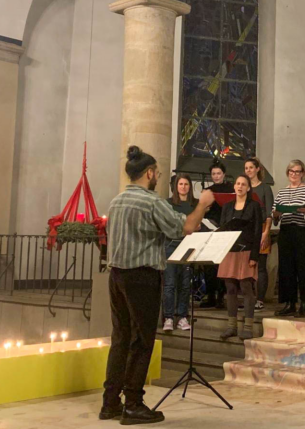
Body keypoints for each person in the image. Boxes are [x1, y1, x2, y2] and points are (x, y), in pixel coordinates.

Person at [101, 146, 214, 425]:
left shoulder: (116, 201)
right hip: (142, 277)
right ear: (149, 173)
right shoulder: (151, 202)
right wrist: (202, 204)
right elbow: (186, 227)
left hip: (116, 276)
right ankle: (133, 405)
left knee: (121, 338)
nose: (158, 178)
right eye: (158, 174)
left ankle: (110, 402)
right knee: (142, 341)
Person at [272, 160, 305, 318]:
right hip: (286, 232)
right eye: (291, 171)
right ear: (288, 173)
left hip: (303, 232)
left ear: (302, 173)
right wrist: (276, 214)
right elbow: (274, 216)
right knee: (287, 269)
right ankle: (290, 303)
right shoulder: (281, 192)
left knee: (304, 268)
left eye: (297, 172)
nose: (294, 174)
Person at [218, 174, 263, 340]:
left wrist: (254, 256)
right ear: (234, 186)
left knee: (246, 287)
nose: (240, 186)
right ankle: (232, 326)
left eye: (243, 184)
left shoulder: (254, 206)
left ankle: (248, 327)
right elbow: (222, 229)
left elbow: (257, 232)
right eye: (237, 183)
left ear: (248, 188)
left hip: (247, 251)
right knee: (230, 288)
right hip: (229, 252)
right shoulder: (227, 207)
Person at [162, 174, 197, 332]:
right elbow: (167, 224)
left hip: (189, 245)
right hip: (171, 244)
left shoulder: (194, 204)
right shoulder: (168, 203)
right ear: (176, 186)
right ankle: (168, 317)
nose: (183, 187)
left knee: (185, 283)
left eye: (186, 184)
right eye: (180, 184)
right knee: (170, 283)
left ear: (190, 186)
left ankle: (182, 317)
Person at [200, 159, 234, 309]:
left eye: (218, 173)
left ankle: (221, 296)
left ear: (224, 174)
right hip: (209, 228)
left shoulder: (230, 188)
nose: (216, 176)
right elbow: (202, 210)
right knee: (209, 264)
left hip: (225, 228)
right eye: (213, 174)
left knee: (222, 264)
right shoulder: (207, 190)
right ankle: (210, 295)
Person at [245, 157, 274, 312]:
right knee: (247, 265)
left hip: (262, 228)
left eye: (251, 167)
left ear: (257, 169)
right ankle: (249, 298)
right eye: (246, 168)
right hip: (248, 230)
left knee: (261, 266)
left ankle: (260, 299)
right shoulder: (245, 188)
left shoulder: (265, 188)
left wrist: (266, 233)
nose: (248, 170)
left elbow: (269, 213)